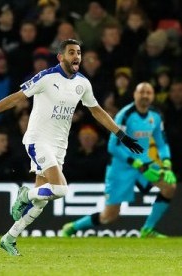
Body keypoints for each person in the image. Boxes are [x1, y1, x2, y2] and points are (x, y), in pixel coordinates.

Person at [0, 39, 143, 256]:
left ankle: (9, 238)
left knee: (42, 200)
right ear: (61, 57)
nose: (77, 56)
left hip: (59, 146)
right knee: (61, 189)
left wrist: (121, 135)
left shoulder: (83, 83)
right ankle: (25, 195)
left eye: (79, 53)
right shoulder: (46, 77)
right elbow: (17, 98)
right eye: (72, 52)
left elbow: (97, 111)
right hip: (38, 140)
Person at [62, 82, 177, 238]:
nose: (144, 96)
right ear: (134, 95)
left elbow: (162, 143)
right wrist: (136, 163)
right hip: (121, 167)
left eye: (148, 93)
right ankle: (73, 227)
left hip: (145, 164)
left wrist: (167, 164)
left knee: (169, 186)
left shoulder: (156, 116)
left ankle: (147, 229)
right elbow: (113, 146)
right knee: (109, 216)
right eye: (141, 92)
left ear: (153, 96)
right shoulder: (125, 114)